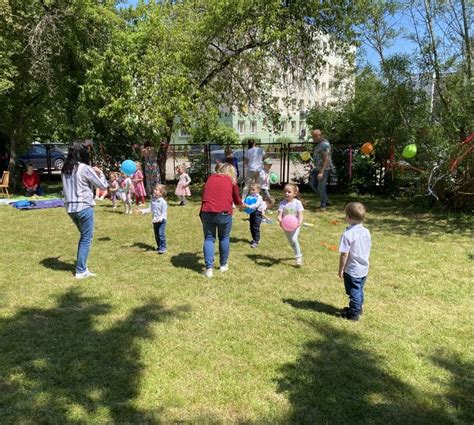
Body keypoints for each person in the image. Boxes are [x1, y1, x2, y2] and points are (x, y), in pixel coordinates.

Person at [61, 140, 108, 279]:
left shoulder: (65, 168)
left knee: (84, 237)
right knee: (86, 238)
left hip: (70, 209)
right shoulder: (84, 168)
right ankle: (81, 270)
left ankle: (82, 267)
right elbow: (102, 186)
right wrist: (100, 173)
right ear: (81, 153)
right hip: (84, 207)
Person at [200, 162, 242, 278]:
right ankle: (223, 265)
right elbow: (237, 199)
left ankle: (209, 269)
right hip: (224, 212)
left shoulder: (211, 178)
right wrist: (242, 206)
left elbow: (204, 194)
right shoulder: (231, 181)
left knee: (209, 239)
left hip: (207, 211)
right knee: (224, 237)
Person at [338, 202, 371, 321]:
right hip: (364, 267)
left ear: (349, 218)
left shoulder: (347, 234)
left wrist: (341, 268)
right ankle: (357, 308)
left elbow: (344, 254)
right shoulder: (366, 231)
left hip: (353, 269)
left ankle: (354, 314)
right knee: (359, 289)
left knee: (354, 291)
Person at [277, 183, 304, 266]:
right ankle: (296, 252)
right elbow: (279, 215)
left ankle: (298, 257)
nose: (286, 193)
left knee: (294, 239)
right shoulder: (282, 203)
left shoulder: (297, 203)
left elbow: (300, 214)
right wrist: (280, 221)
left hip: (296, 226)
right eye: (285, 192)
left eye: (289, 192)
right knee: (291, 242)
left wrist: (299, 222)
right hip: (286, 227)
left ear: (295, 194)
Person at [310, 129, 333, 211]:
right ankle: (326, 200)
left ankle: (323, 205)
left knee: (321, 187)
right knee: (312, 184)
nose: (314, 138)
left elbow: (326, 159)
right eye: (313, 136)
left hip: (324, 169)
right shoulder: (319, 144)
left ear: (321, 135)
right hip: (317, 168)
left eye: (315, 136)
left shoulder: (325, 144)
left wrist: (322, 172)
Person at [243, 183, 264, 248]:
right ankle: (254, 239)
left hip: (257, 213)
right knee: (251, 226)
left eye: (253, 190)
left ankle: (256, 241)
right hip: (252, 213)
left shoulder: (259, 198)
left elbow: (256, 205)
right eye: (251, 189)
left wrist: (248, 206)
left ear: (258, 190)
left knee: (256, 227)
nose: (252, 191)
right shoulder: (250, 196)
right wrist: (244, 204)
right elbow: (246, 201)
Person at [151, 184, 168, 254]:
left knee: (161, 234)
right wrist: (142, 211)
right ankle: (159, 246)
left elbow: (164, 213)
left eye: (156, 190)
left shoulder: (163, 202)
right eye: (154, 189)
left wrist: (160, 219)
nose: (154, 191)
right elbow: (150, 209)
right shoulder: (153, 200)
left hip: (162, 221)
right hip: (155, 220)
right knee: (156, 235)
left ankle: (163, 248)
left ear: (161, 193)